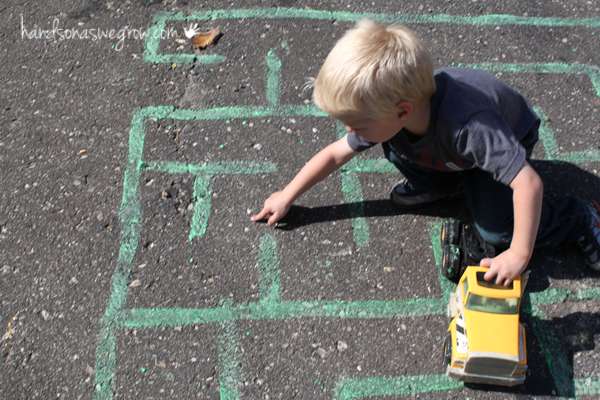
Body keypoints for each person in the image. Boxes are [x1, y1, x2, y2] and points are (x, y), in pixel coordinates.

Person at [250, 19, 600, 286]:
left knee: (496, 233)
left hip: (503, 141)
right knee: (396, 146)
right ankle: (442, 184)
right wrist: (288, 194)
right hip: (449, 149)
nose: (349, 132)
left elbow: (529, 185)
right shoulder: (394, 114)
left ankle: (578, 218)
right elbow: (335, 154)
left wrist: (519, 255)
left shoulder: (470, 127)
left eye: (356, 124)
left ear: (402, 110)